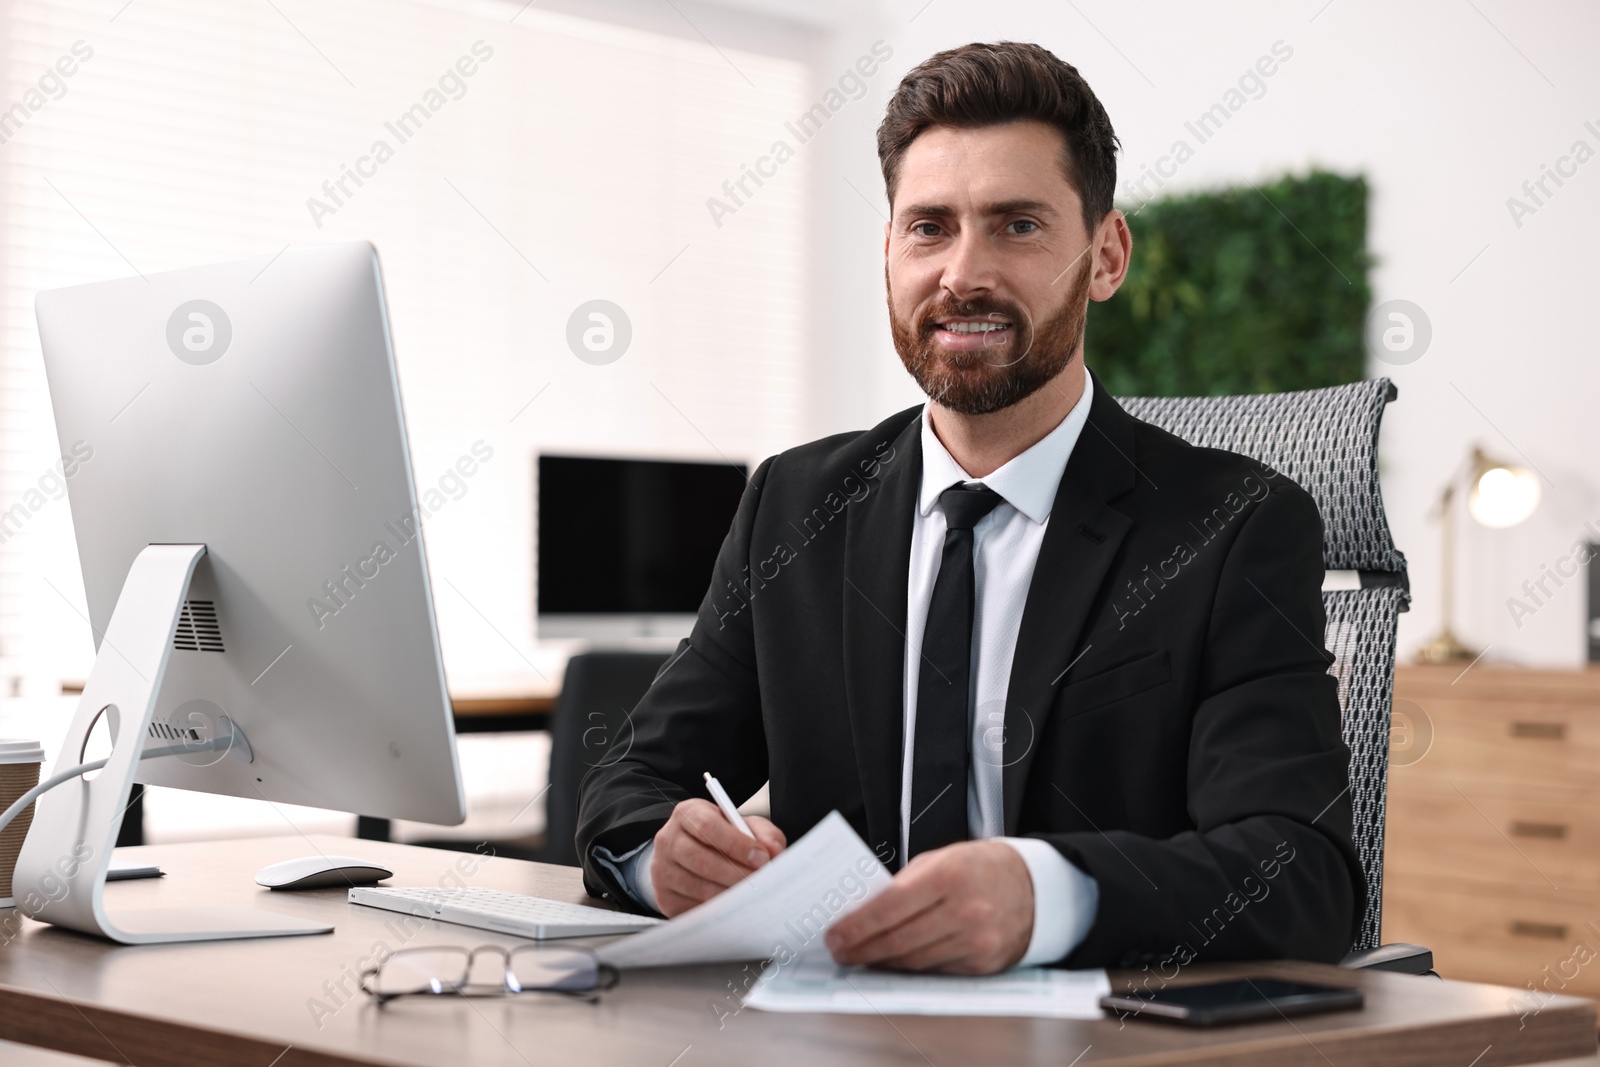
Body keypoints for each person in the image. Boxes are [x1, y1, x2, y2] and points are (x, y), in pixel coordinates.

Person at [577, 40, 1361, 975]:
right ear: (889, 252)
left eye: (1017, 225)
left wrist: (1048, 893)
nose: (962, 273)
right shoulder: (794, 507)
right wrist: (658, 858)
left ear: (1106, 256)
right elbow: (628, 782)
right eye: (929, 227)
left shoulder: (1233, 527)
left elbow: (1299, 870)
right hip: (830, 1034)